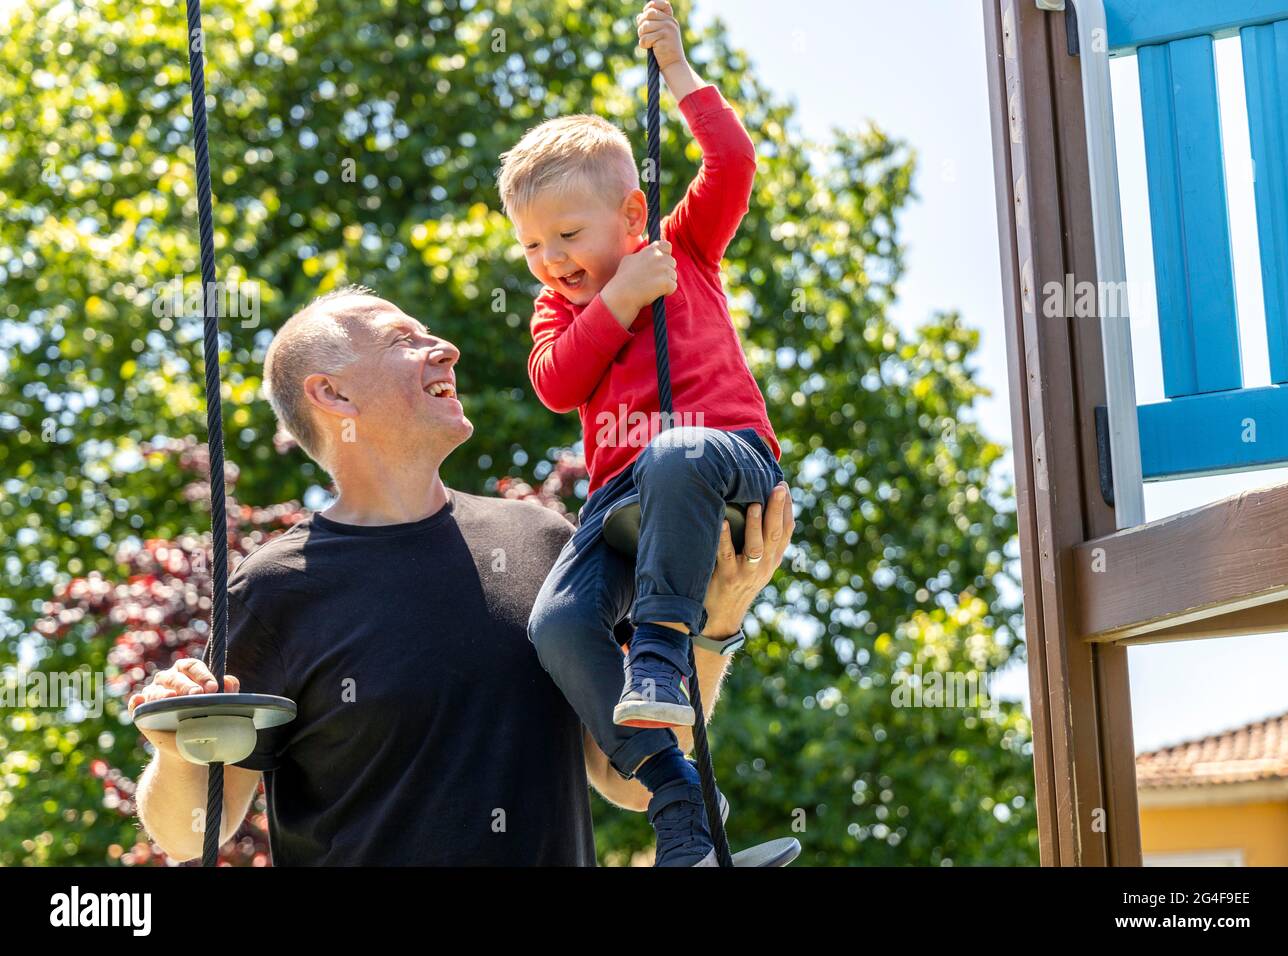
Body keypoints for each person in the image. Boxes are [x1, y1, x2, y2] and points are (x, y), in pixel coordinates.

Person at [128, 286, 792, 866]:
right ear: (332, 394)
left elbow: (626, 775)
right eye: (403, 341)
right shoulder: (274, 589)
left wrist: (714, 628)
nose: (444, 348)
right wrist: (180, 751)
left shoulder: (543, 542)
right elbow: (191, 835)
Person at [496, 1, 781, 865]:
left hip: (724, 466)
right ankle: (681, 806)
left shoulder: (684, 247)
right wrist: (618, 300)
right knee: (556, 623)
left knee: (674, 453)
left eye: (569, 236)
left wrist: (681, 75)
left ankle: (658, 654)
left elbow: (732, 163)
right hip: (623, 504)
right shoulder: (564, 306)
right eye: (533, 246)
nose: (551, 261)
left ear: (631, 214)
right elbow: (555, 383)